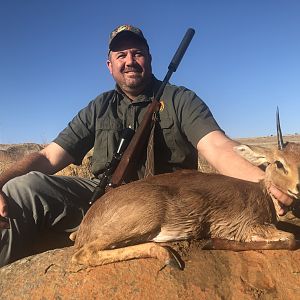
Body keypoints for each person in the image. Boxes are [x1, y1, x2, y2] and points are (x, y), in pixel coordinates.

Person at [0, 25, 293, 267]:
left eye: (137, 52)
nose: (129, 60)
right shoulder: (99, 107)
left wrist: (267, 184)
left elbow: (217, 147)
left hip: (169, 197)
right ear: (109, 64)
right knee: (22, 189)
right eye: (121, 54)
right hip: (103, 196)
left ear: (149, 58)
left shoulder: (180, 100)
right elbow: (48, 156)